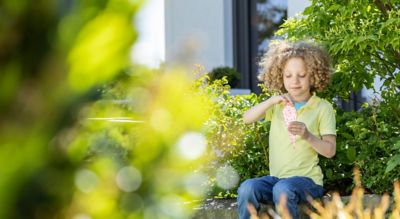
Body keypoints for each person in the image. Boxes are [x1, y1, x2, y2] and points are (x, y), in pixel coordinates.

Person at [237, 41, 336, 219]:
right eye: (288, 76)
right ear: (280, 76)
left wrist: (307, 135)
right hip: (276, 181)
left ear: (313, 76)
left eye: (302, 75)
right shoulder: (278, 105)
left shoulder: (322, 107)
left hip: (308, 182)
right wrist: (271, 101)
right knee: (247, 188)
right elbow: (246, 118)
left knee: (283, 190)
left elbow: (330, 151)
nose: (294, 81)